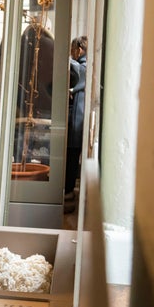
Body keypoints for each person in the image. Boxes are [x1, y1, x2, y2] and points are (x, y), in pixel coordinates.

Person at [65, 36, 88, 205]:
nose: (71, 53)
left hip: (77, 123)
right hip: (78, 121)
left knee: (72, 158)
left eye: (72, 49)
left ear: (79, 50)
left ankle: (68, 191)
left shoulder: (82, 67)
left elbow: (76, 69)